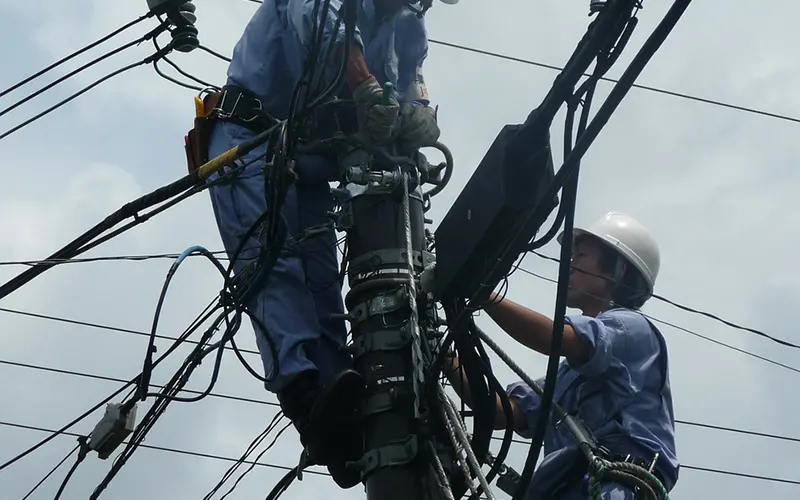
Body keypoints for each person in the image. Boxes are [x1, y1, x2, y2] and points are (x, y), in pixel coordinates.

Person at [199, 0, 445, 489]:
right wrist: (366, 89)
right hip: (248, 137)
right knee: (274, 269)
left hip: (309, 156)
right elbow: (325, 32)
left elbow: (412, 85)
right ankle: (306, 399)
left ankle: (342, 410)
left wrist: (418, 115)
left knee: (322, 281)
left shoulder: (408, 25)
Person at [444, 212, 680, 499]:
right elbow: (498, 412)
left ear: (617, 270)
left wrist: (482, 293)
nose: (569, 266)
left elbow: (552, 338)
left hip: (618, 487)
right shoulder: (568, 378)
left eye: (580, 256)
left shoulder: (632, 330)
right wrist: (441, 354)